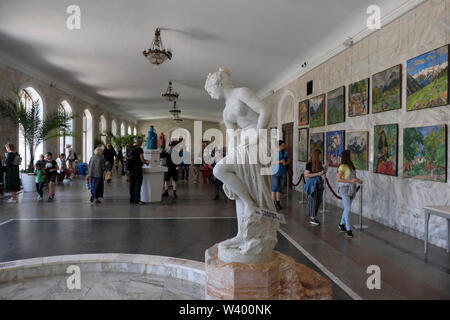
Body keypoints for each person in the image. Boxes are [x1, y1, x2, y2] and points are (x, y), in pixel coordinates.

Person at [337, 150, 363, 239]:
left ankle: (341, 224)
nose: (353, 154)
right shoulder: (342, 166)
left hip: (352, 188)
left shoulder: (351, 165)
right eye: (351, 153)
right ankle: (348, 229)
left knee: (346, 208)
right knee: (348, 208)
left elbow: (353, 177)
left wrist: (358, 180)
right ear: (348, 155)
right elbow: (339, 179)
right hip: (344, 189)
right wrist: (351, 181)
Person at [304, 149, 328, 226]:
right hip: (312, 184)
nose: (321, 156)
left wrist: (328, 164)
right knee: (313, 201)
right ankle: (312, 217)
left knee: (319, 200)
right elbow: (307, 175)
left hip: (319, 183)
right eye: (320, 155)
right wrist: (318, 173)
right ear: (317, 155)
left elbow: (323, 172)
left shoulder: (319, 163)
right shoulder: (309, 164)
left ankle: (314, 216)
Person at [128, 138, 149, 204]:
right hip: (137, 169)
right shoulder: (139, 149)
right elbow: (142, 159)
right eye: (141, 142)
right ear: (139, 142)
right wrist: (146, 162)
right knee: (138, 185)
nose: (142, 143)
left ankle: (132, 199)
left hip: (131, 169)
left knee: (132, 184)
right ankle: (137, 200)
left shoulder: (130, 148)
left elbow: (134, 157)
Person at [271, 140, 291, 211]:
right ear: (279, 146)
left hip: (282, 172)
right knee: (274, 187)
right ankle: (273, 202)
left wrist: (286, 163)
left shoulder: (285, 153)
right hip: (275, 172)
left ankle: (278, 202)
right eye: (283, 145)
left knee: (280, 187)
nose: (284, 146)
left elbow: (289, 159)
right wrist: (279, 161)